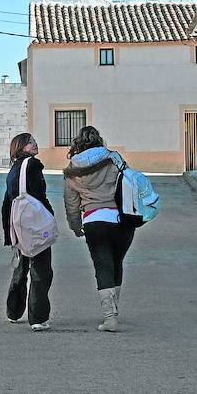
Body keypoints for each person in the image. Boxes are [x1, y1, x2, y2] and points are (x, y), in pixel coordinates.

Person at [63, 126, 135, 332]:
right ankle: (115, 308)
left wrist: (76, 226)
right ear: (99, 140)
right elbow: (129, 182)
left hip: (94, 221)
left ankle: (109, 317)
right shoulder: (114, 159)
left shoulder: (72, 169)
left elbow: (71, 203)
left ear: (78, 143)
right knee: (116, 262)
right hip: (122, 220)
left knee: (103, 266)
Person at [1, 133, 54, 332]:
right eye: (30, 142)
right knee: (41, 270)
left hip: (18, 224)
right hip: (34, 225)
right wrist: (50, 216)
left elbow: (7, 202)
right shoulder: (32, 165)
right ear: (21, 147)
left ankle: (13, 311)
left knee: (21, 268)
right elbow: (40, 195)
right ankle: (38, 318)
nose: (35, 143)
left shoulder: (13, 169)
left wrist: (9, 233)